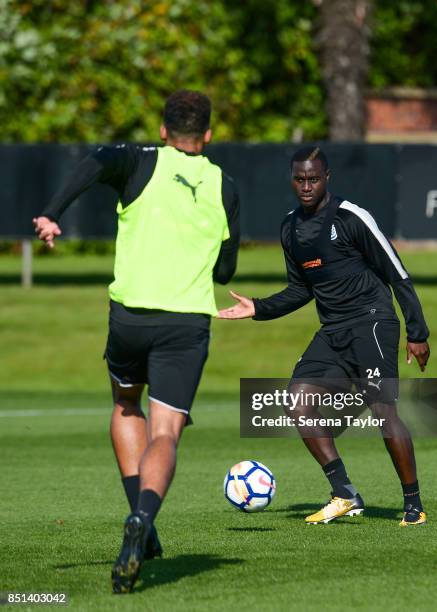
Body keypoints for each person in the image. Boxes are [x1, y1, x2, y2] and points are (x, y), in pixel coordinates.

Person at [33, 90, 240, 592]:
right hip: (186, 322)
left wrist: (53, 212)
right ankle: (143, 519)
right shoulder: (224, 185)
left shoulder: (139, 160)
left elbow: (95, 162)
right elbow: (226, 268)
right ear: (208, 136)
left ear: (164, 131)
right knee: (166, 431)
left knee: (127, 405)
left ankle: (139, 522)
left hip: (129, 316)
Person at [218, 146, 429, 527]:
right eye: (299, 179)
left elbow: (396, 272)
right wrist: (259, 307)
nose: (306, 186)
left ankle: (413, 504)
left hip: (372, 322)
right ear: (292, 179)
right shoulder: (290, 228)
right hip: (332, 331)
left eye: (313, 178)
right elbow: (301, 290)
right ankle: (344, 493)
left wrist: (417, 331)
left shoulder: (351, 217)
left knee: (384, 411)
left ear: (327, 177)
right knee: (296, 401)